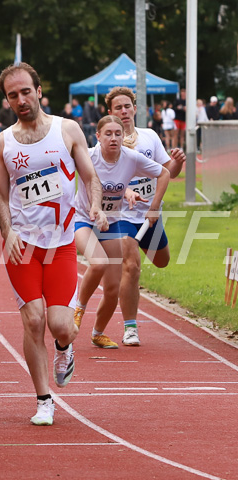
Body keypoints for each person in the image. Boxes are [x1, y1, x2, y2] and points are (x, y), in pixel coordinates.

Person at [0, 63, 105, 426]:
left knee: (61, 325)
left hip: (60, 243)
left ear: (39, 91)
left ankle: (64, 347)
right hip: (22, 244)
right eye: (13, 95)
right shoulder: (3, 141)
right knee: (33, 320)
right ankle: (44, 400)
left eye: (26, 91)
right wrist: (7, 231)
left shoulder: (67, 129)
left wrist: (96, 206)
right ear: (7, 100)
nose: (21, 100)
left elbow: (90, 176)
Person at [95, 87, 186, 347]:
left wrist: (177, 162)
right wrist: (126, 191)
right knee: (132, 266)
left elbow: (167, 172)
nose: (123, 111)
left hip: (148, 215)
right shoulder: (107, 141)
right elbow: (99, 179)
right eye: (117, 108)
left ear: (135, 109)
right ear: (110, 112)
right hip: (119, 215)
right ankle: (131, 327)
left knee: (162, 261)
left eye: (127, 106)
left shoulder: (149, 137)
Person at [73, 115, 169, 348]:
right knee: (98, 263)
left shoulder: (131, 158)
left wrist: (152, 207)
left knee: (113, 287)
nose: (114, 138)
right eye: (108, 134)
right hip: (84, 219)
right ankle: (78, 309)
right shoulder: (88, 156)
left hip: (112, 222)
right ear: (97, 136)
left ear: (123, 136)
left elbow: (164, 173)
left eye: (118, 133)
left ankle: (98, 333)